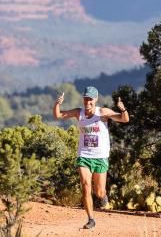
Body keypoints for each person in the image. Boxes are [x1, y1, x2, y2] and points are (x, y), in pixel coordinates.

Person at [53, 86, 129, 230]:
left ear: (96, 99)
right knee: (85, 186)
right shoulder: (78, 113)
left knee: (99, 192)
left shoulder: (103, 113)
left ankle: (103, 197)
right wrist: (58, 103)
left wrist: (122, 108)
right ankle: (91, 219)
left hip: (100, 157)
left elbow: (124, 119)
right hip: (84, 156)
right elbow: (58, 115)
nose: (87, 102)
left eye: (90, 99)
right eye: (85, 98)